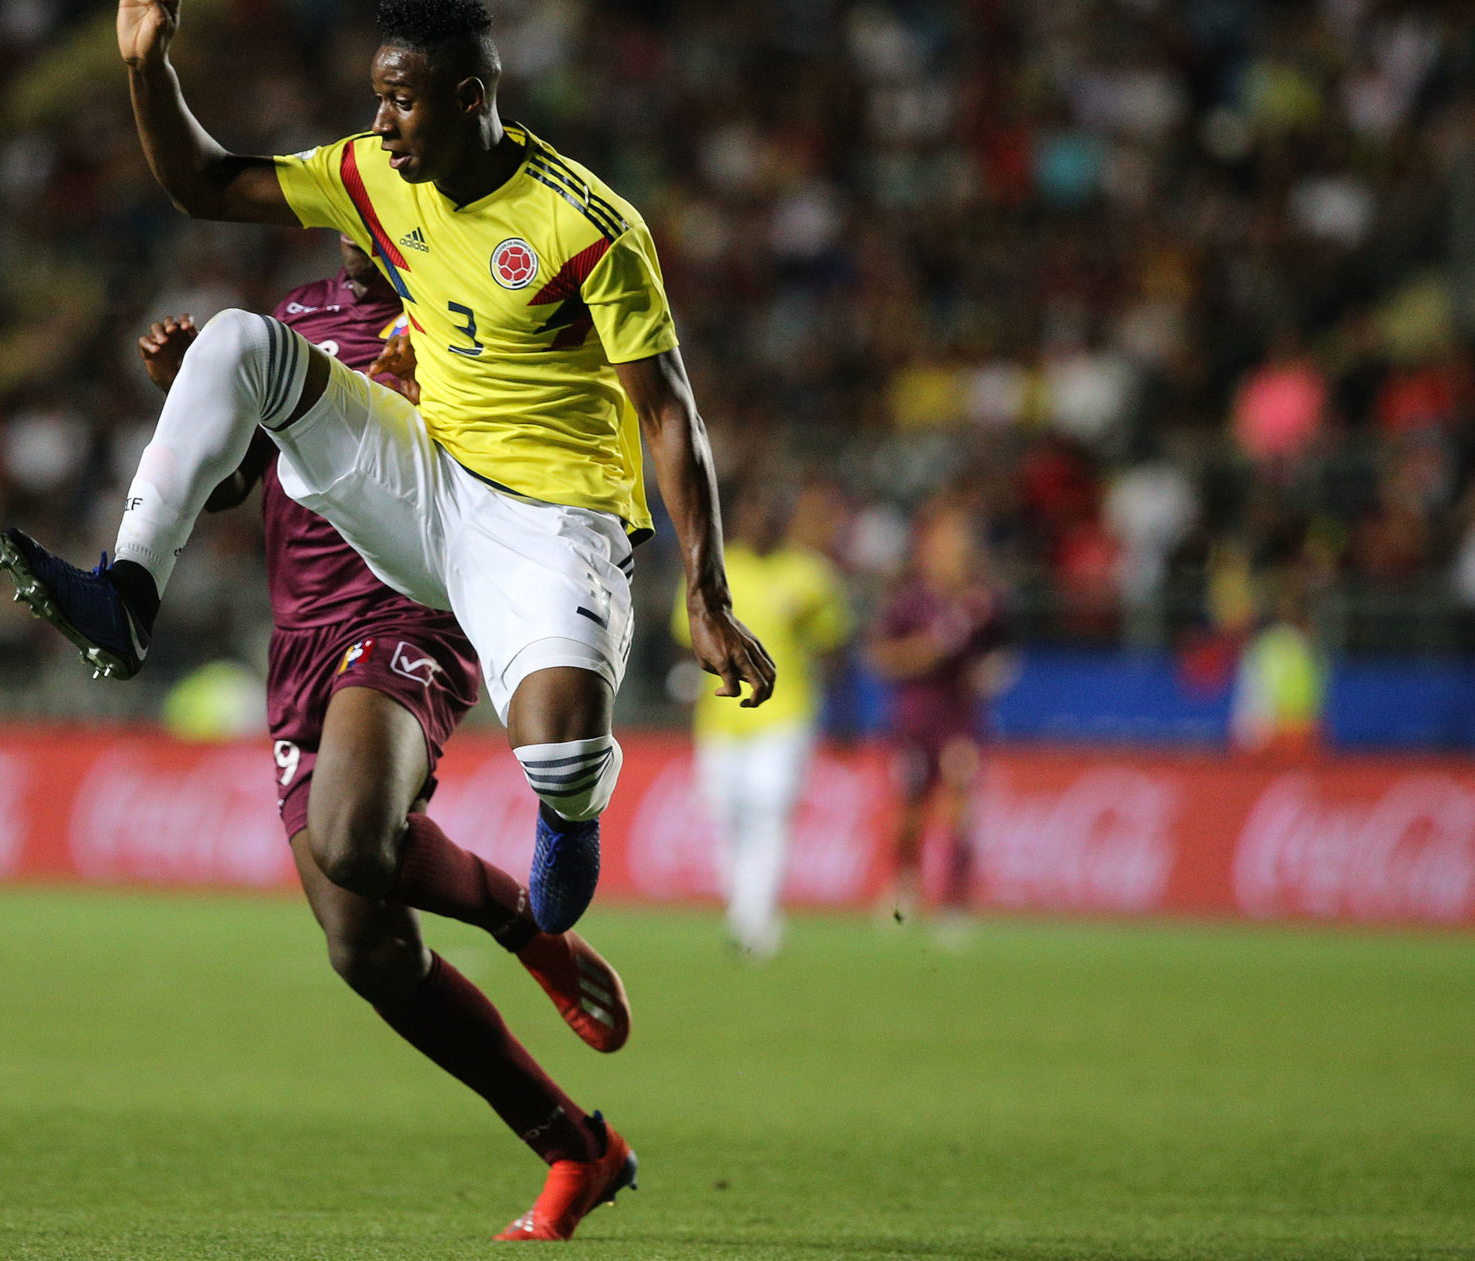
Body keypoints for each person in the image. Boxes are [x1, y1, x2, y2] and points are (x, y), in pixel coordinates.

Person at [0, 0, 774, 954]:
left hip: (551, 521)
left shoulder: (586, 226)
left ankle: (570, 807)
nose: (382, 120)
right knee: (234, 340)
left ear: (469, 97)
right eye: (377, 97)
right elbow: (203, 182)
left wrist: (704, 592)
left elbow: (669, 415)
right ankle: (128, 590)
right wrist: (147, 65)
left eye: (402, 100)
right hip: (423, 479)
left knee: (562, 750)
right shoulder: (370, 170)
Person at [129, 234, 634, 1242]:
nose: (362, 253)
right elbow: (237, 481)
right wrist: (181, 390)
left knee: (358, 839)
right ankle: (575, 1148)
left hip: (410, 612)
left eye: (384, 232)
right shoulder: (298, 319)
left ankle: (524, 922)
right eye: (350, 231)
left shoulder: (468, 317)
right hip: (300, 638)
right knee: (362, 948)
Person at [673, 480, 850, 960]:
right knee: (727, 813)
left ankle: (756, 919)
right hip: (719, 715)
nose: (760, 523)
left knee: (769, 810)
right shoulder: (712, 569)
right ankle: (743, 911)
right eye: (751, 514)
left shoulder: (810, 575)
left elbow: (833, 645)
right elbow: (684, 636)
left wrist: (844, 712)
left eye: (769, 514)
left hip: (785, 713)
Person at [865, 500, 1014, 926]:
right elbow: (880, 655)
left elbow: (1002, 652)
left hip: (961, 715)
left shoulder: (985, 603)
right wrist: (928, 650)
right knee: (911, 809)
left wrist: (991, 670)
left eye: (964, 546)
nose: (958, 554)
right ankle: (904, 887)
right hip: (915, 715)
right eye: (950, 544)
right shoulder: (910, 602)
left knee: (960, 800)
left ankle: (954, 900)